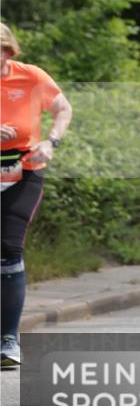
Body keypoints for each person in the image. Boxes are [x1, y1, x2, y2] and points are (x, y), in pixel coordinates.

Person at [1, 23, 73, 368]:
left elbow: (63, 109)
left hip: (24, 169)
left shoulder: (31, 77)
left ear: (8, 51)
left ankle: (9, 339)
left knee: (9, 246)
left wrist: (51, 141)